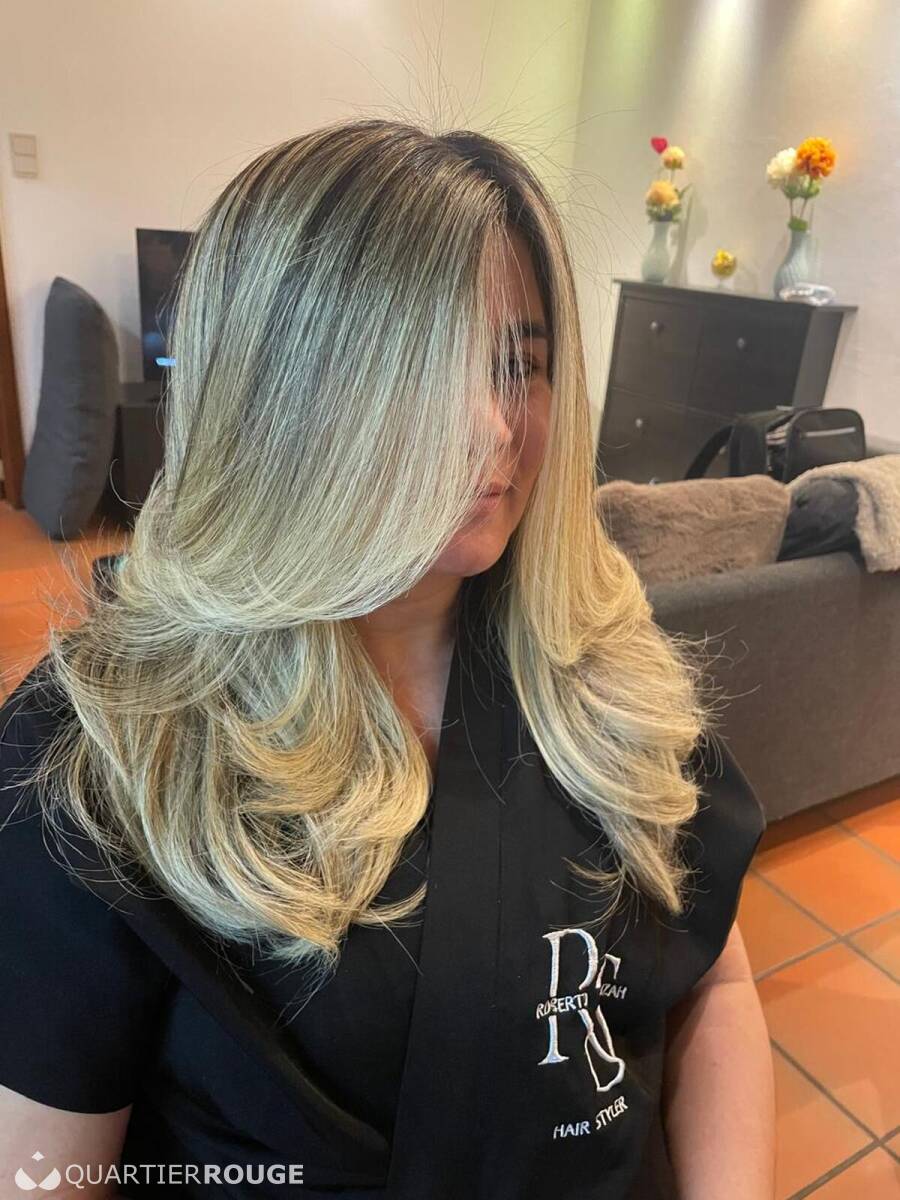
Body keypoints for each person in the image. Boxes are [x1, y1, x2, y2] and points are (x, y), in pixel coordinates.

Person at [0, 118, 774, 1199]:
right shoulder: (101, 754)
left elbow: (713, 983)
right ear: (269, 395)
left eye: (521, 363)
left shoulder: (605, 662)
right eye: (419, 371)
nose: (494, 425)